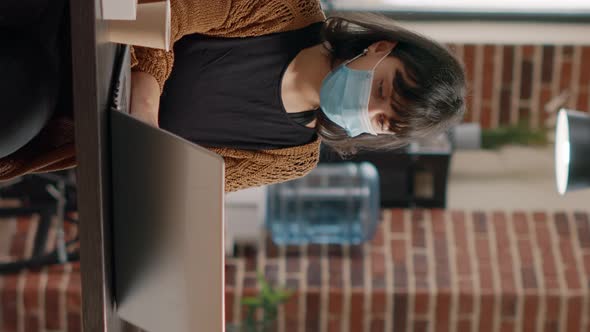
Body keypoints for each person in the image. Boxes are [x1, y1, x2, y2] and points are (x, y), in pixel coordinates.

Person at [129, 0, 466, 193]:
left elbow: (182, 188)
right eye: (381, 88)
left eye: (381, 120)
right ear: (380, 47)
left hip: (84, 140)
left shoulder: (291, 158)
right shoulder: (284, 9)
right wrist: (146, 92)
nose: (368, 107)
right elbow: (173, 11)